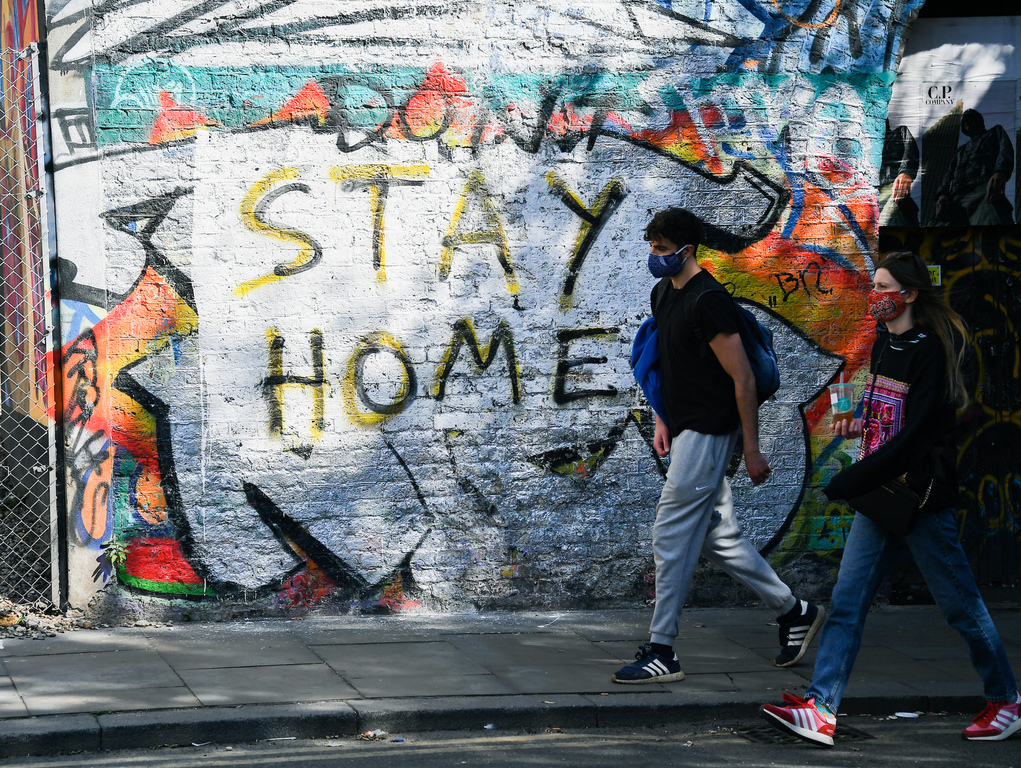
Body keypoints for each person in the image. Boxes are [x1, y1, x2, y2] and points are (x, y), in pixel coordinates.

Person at [761, 250, 1020, 746]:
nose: (874, 295)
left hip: (921, 498)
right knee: (846, 603)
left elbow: (917, 438)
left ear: (909, 294)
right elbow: (890, 421)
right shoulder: (885, 342)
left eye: (883, 287)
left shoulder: (932, 351)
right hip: (882, 495)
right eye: (874, 285)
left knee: (961, 607)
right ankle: (821, 707)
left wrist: (850, 481)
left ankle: (1006, 700)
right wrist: (860, 422)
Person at [612, 208, 824, 684]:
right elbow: (666, 363)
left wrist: (751, 448)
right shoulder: (664, 292)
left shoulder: (710, 301)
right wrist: (662, 419)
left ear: (688, 250)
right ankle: (794, 611)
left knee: (670, 533)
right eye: (652, 247)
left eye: (663, 250)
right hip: (686, 427)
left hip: (711, 430)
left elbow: (743, 378)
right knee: (715, 536)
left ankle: (663, 650)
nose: (654, 257)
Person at [931, 109, 1014, 226]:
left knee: (991, 223)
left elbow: (1005, 151)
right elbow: (949, 174)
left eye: (970, 119)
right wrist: (942, 194)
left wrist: (1000, 172)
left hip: (981, 189)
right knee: (936, 230)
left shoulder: (994, 132)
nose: (966, 122)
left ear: (979, 120)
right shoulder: (961, 150)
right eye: (964, 121)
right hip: (955, 196)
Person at [878, 120, 919, 227]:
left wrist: (905, 173)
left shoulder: (900, 132)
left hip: (893, 189)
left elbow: (910, 152)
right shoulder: (868, 145)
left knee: (885, 223)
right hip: (875, 195)